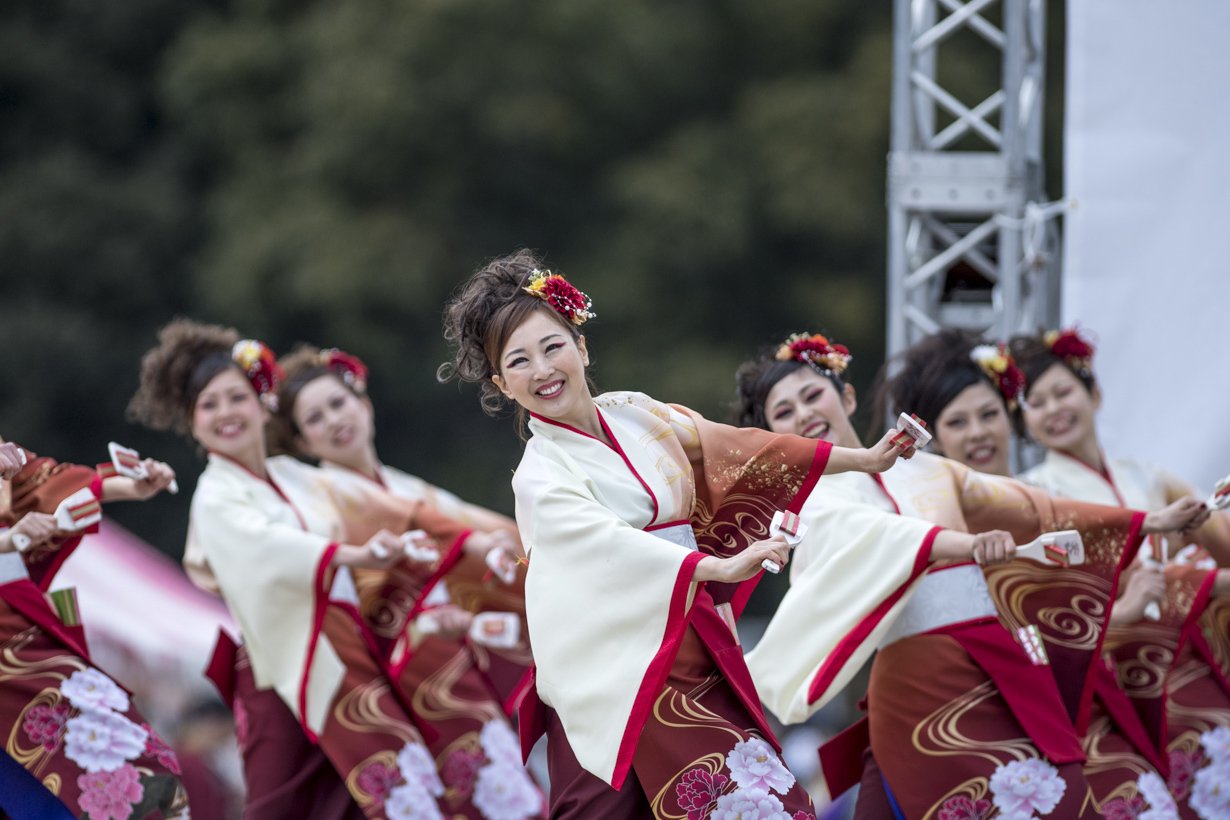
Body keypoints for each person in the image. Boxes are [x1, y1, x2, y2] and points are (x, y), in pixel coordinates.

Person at [438, 250, 916, 819]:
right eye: (519, 361)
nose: (542, 369)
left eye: (552, 346)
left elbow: (738, 449)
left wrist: (861, 459)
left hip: (685, 638)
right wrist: (711, 568)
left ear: (582, 348)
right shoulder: (541, 474)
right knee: (740, 803)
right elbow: (603, 546)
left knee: (755, 800)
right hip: (617, 662)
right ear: (501, 383)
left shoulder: (637, 414)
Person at [739, 332, 1205, 819]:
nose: (805, 414)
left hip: (998, 664)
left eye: (812, 395)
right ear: (776, 435)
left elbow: (1033, 508)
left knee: (1058, 794)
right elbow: (879, 535)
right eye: (784, 412)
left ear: (846, 397)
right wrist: (969, 545)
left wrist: (1147, 521)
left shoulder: (928, 470)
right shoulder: (814, 504)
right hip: (920, 681)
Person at [129, 318, 458, 820]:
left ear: (262, 400)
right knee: (294, 805)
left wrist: (436, 535)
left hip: (344, 657)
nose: (225, 414)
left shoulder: (296, 477)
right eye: (208, 405)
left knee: (384, 790)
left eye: (235, 397)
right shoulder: (216, 497)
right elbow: (268, 550)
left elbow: (377, 505)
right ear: (192, 422)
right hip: (281, 665)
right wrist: (355, 555)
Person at [267, 344, 544, 820]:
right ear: (303, 442)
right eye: (314, 419)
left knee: (501, 790)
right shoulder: (317, 500)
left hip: (455, 656)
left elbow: (488, 536)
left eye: (339, 402)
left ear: (364, 404)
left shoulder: (408, 488)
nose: (334, 420)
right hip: (395, 664)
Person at [1011, 327, 1230, 808]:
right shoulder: (1034, 495)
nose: (1053, 409)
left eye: (1063, 391)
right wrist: (1196, 584)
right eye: (1037, 402)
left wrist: (1194, 540)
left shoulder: (1145, 476)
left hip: (1175, 666)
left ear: (1095, 394)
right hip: (1106, 675)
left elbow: (1220, 541)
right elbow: (1045, 606)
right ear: (1025, 422)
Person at [0, 436, 187, 819]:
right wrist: (6, 541)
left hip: (19, 641)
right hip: (14, 651)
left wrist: (129, 487)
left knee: (142, 777)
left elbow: (45, 483)